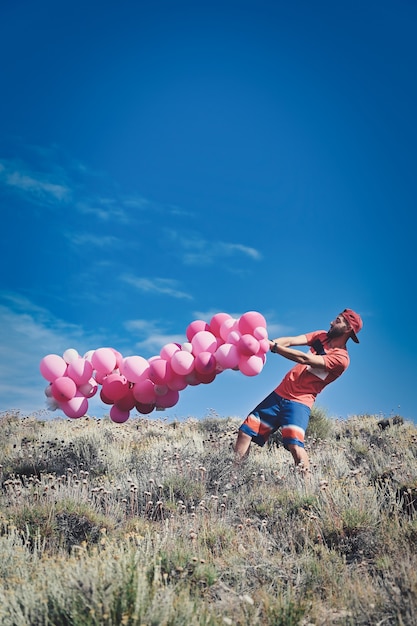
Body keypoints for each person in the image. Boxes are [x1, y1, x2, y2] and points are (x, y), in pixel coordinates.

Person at [233, 309, 363, 473]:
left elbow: (305, 359)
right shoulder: (321, 336)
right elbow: (292, 340)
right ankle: (234, 476)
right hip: (279, 394)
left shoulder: (341, 359)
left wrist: (275, 348)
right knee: (245, 432)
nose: (331, 322)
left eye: (337, 320)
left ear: (348, 329)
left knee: (295, 446)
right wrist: (264, 344)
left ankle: (306, 490)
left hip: (299, 403)